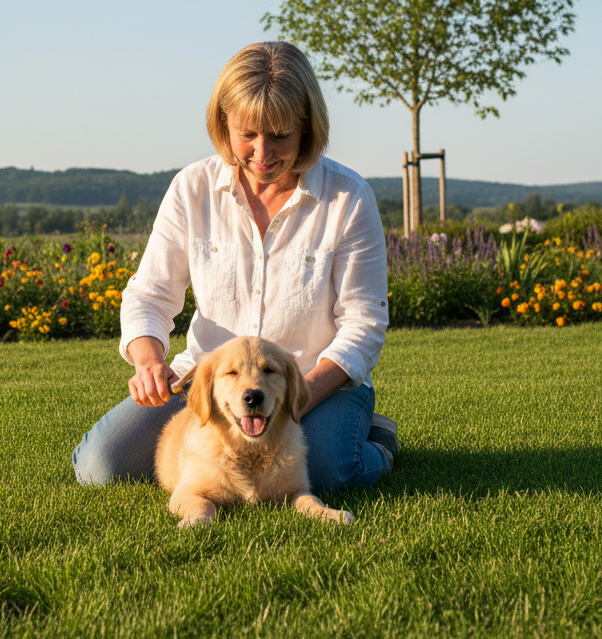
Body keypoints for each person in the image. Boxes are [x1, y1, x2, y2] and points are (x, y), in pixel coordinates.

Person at [72, 42, 397, 492]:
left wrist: (290, 403)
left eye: (280, 135)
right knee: (100, 467)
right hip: (211, 383)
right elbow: (150, 294)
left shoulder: (349, 198)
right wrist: (149, 362)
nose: (263, 152)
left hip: (310, 385)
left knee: (324, 472)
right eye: (248, 134)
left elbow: (363, 323)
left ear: (307, 128)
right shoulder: (192, 188)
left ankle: (378, 442)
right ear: (223, 123)